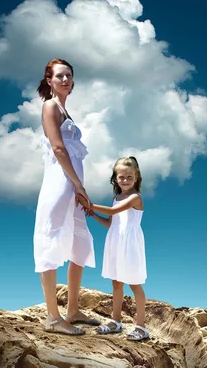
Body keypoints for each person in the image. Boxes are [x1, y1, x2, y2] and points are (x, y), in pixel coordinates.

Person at [33, 58, 101, 335]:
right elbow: (59, 149)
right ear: (49, 80)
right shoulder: (50, 106)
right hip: (61, 184)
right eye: (60, 76)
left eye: (69, 76)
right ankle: (53, 318)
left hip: (72, 184)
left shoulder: (65, 110)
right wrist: (78, 185)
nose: (65, 80)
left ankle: (72, 310)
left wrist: (78, 186)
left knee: (79, 246)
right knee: (51, 243)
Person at [82, 156, 150, 341]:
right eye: (121, 177)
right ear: (115, 178)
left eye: (129, 177)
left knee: (134, 284)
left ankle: (142, 327)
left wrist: (87, 202)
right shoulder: (116, 198)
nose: (125, 180)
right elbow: (110, 223)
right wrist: (93, 213)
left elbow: (113, 212)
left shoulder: (135, 198)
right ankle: (116, 321)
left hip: (130, 244)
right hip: (116, 242)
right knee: (116, 283)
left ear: (136, 177)